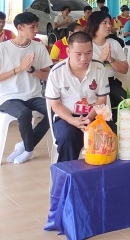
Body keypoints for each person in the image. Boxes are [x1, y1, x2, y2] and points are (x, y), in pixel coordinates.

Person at [0, 12, 52, 163]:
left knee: (55, 111)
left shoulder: (38, 47)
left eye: (36, 26)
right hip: (8, 98)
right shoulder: (2, 49)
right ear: (20, 28)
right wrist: (19, 69)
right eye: (32, 27)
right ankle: (29, 150)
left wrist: (32, 70)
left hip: (33, 96)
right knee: (24, 113)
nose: (36, 30)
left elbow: (48, 76)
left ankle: (26, 144)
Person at [45, 31, 110, 163]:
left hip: (94, 115)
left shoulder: (99, 68)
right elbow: (55, 104)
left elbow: (102, 99)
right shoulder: (57, 72)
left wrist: (88, 119)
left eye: (88, 53)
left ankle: (103, 178)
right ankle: (66, 178)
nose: (84, 59)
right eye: (78, 54)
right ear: (68, 52)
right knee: (68, 137)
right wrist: (72, 120)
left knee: (111, 136)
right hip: (67, 117)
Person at [85, 11, 128, 125]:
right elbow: (83, 71)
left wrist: (111, 60)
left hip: (110, 83)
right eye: (105, 23)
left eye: (110, 23)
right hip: (92, 85)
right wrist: (100, 60)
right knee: (104, 114)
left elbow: (125, 69)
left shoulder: (113, 43)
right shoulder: (86, 45)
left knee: (128, 106)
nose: (109, 26)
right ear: (95, 25)